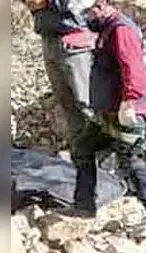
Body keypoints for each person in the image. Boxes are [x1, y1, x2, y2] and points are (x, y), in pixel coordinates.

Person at [66, 0, 146, 236]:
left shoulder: (121, 30)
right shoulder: (105, 30)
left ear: (101, 5)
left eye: (87, 13)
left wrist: (130, 101)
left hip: (127, 110)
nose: (84, 18)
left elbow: (133, 68)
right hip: (107, 113)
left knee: (131, 158)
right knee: (82, 147)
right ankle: (84, 206)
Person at [23, 0, 95, 147]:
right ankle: (81, 154)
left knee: (86, 103)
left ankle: (103, 154)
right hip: (48, 36)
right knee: (66, 103)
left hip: (74, 40)